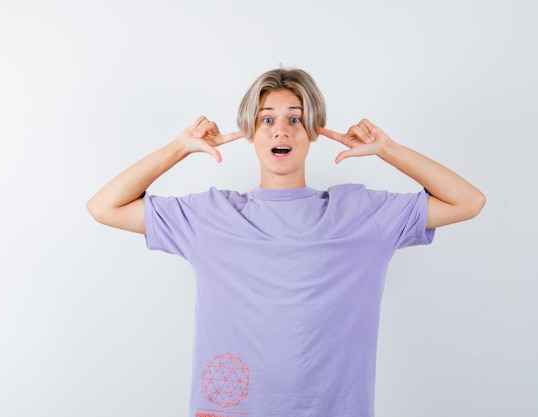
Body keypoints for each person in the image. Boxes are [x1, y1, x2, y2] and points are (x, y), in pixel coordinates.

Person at [87, 68, 485, 417]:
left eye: (295, 119)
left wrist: (387, 150)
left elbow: (468, 201)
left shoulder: (362, 214)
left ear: (314, 131)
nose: (281, 129)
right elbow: (104, 206)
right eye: (266, 120)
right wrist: (180, 147)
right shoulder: (211, 216)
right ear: (249, 133)